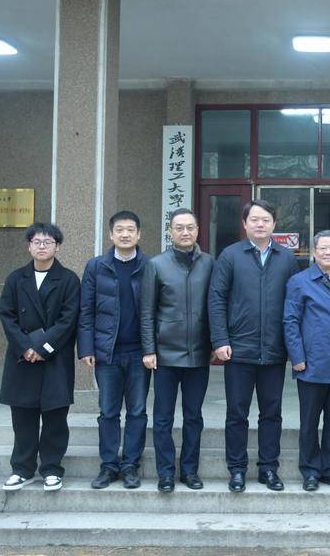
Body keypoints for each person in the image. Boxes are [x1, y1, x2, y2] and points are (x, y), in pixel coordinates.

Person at [208, 199, 298, 493]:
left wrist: (293, 346)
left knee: (272, 413)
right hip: (238, 349)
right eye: (254, 220)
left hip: (274, 350)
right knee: (237, 413)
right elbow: (217, 299)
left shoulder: (287, 258)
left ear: (274, 224)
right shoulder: (230, 255)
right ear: (245, 224)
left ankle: (268, 469)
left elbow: (295, 304)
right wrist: (220, 340)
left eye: (266, 220)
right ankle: (236, 469)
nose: (260, 224)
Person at [0, 222, 80, 492]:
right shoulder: (15, 279)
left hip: (54, 358)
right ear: (29, 246)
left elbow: (68, 320)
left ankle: (52, 469)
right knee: (23, 417)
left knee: (55, 416)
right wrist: (25, 347)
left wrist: (42, 347)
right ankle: (21, 469)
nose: (42, 246)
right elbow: (7, 316)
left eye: (48, 242)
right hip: (21, 358)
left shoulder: (68, 279)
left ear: (58, 246)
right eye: (37, 242)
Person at [140, 208, 214, 493]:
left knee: (194, 416)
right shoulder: (156, 265)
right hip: (165, 355)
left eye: (190, 227)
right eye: (179, 227)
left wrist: (214, 343)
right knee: (163, 418)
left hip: (199, 354)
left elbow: (216, 307)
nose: (185, 232)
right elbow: (147, 312)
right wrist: (149, 349)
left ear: (198, 230)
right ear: (170, 231)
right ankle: (166, 472)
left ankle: (190, 470)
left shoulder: (209, 264)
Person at [78, 211, 150, 490]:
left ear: (139, 234)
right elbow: (86, 311)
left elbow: (156, 311)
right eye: (119, 229)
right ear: (110, 234)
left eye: (130, 229)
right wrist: (87, 348)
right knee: (108, 411)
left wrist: (153, 349)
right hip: (106, 353)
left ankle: (130, 465)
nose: (125, 234)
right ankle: (108, 465)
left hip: (139, 353)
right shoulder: (96, 266)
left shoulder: (150, 266)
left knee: (137, 411)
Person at [284, 230, 330, 491]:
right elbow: (290, 321)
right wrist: (297, 357)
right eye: (323, 248)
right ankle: (310, 471)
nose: (328, 253)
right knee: (309, 422)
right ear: (314, 252)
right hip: (311, 363)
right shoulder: (299, 281)